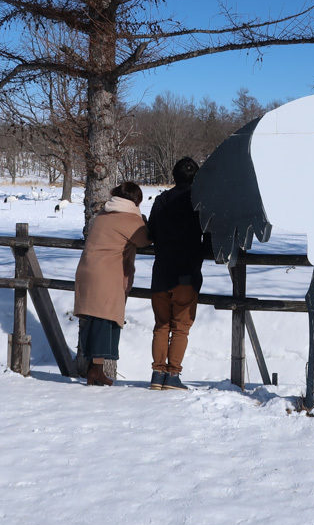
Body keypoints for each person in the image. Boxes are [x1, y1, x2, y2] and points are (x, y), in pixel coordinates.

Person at [72, 181, 151, 386]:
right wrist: (144, 221)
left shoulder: (105, 213)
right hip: (105, 273)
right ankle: (94, 371)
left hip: (89, 269)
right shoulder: (128, 218)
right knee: (103, 319)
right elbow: (144, 240)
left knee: (98, 318)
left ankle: (95, 369)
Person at [146, 157, 211, 391]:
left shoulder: (161, 200)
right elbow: (209, 237)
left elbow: (151, 232)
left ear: (174, 176)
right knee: (181, 326)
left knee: (161, 324)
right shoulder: (199, 202)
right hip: (186, 273)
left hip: (162, 271)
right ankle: (172, 375)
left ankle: (157, 374)